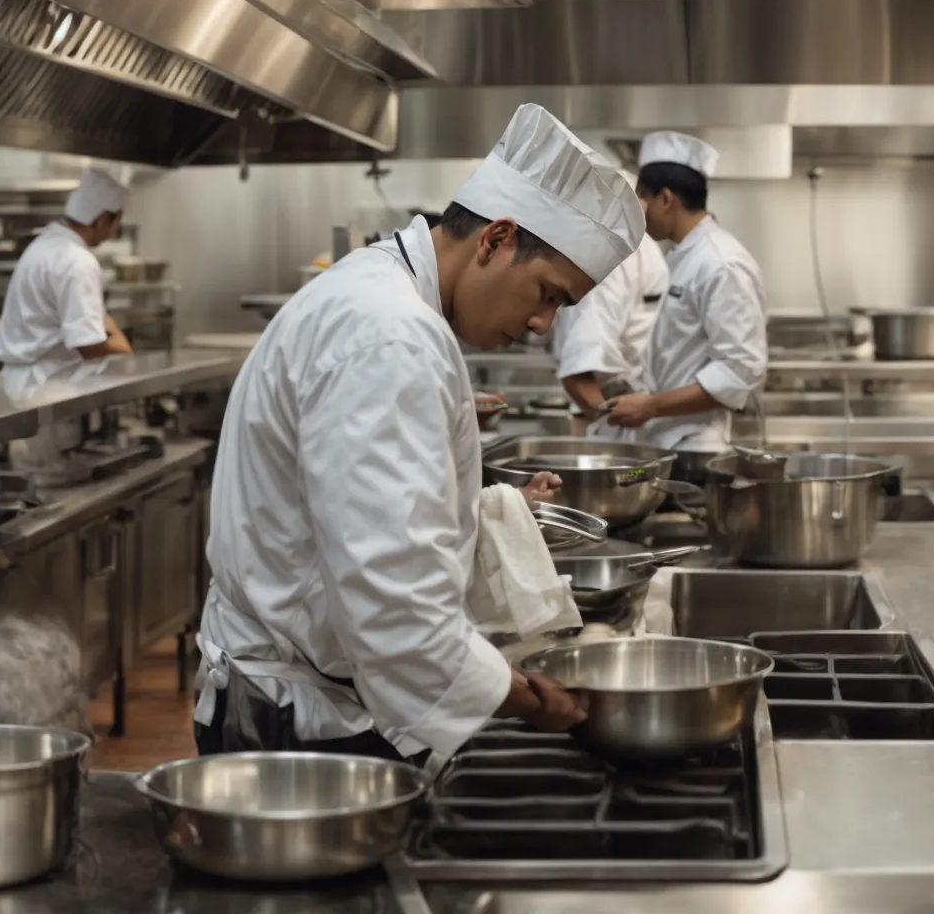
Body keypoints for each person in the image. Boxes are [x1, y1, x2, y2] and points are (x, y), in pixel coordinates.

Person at [195, 104, 645, 764]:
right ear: (494, 238)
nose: (544, 323)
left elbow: (347, 521)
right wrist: (533, 700)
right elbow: (396, 608)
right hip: (296, 730)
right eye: (548, 293)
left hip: (303, 698)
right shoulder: (390, 336)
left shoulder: (385, 297)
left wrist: (492, 512)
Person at [606, 131, 768, 452]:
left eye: (643, 202)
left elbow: (740, 369)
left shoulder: (721, 263)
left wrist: (651, 405)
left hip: (694, 446)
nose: (640, 214)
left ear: (666, 200)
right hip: (666, 440)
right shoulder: (685, 255)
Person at [550, 170, 669, 434]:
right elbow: (578, 374)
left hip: (642, 417)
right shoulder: (610, 259)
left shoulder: (639, 248)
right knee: (632, 475)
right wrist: (614, 429)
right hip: (627, 422)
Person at [0, 168, 133, 389]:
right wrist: (127, 359)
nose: (113, 233)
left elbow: (97, 321)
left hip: (23, 382)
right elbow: (89, 345)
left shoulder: (46, 244)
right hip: (48, 387)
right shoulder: (78, 261)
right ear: (101, 219)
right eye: (115, 224)